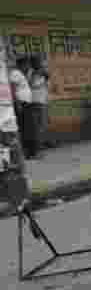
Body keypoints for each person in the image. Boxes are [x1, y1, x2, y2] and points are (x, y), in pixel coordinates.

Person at [1, 39, 30, 212]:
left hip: (8, 124)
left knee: (10, 164)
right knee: (9, 164)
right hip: (6, 126)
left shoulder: (8, 72)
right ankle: (15, 199)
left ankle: (16, 199)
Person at [10, 57, 35, 158]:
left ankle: (29, 152)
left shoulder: (21, 74)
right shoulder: (15, 73)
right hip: (21, 103)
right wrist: (17, 103)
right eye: (26, 64)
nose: (28, 66)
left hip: (26, 103)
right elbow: (12, 88)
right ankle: (26, 152)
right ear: (21, 64)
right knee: (24, 128)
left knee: (28, 128)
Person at [28, 56, 52, 150]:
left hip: (43, 100)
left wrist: (45, 77)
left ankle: (43, 142)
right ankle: (39, 144)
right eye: (39, 62)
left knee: (44, 123)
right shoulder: (32, 73)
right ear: (35, 63)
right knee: (39, 124)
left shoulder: (42, 73)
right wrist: (41, 77)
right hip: (37, 101)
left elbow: (47, 85)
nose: (41, 64)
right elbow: (33, 84)